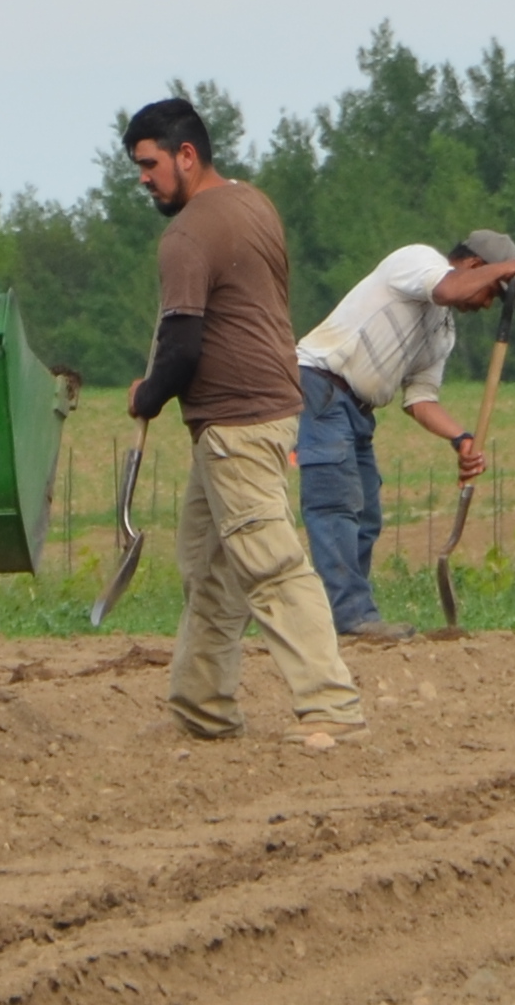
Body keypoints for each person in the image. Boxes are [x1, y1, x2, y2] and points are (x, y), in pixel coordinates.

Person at [120, 98, 365, 740]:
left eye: (149, 164)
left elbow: (181, 349)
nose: (143, 179)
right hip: (263, 410)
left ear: (186, 155)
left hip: (238, 422)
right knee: (209, 569)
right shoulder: (254, 203)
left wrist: (147, 396)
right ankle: (202, 709)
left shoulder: (186, 236)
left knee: (271, 564)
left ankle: (333, 708)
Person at [292, 230, 515, 638]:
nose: (487, 304)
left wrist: (461, 439)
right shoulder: (418, 261)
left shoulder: (443, 332)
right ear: (475, 265)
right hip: (320, 385)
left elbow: (420, 399)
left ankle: (340, 620)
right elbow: (447, 289)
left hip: (358, 410)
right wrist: (507, 268)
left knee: (366, 515)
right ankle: (352, 617)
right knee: (336, 504)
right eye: (491, 291)